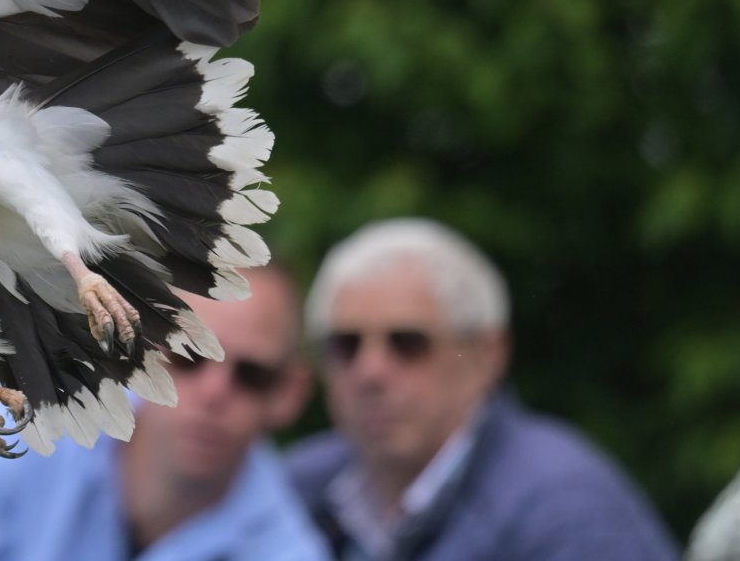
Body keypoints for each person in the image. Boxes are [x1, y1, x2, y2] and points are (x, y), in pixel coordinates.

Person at [287, 217, 677, 560]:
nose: (370, 370)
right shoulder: (296, 488)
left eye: (408, 343)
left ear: (486, 356)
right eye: (345, 345)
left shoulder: (566, 509)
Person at [0, 264, 328, 561]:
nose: (215, 392)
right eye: (190, 357)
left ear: (289, 394)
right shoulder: (23, 429)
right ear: (143, 350)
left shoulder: (288, 550)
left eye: (252, 376)